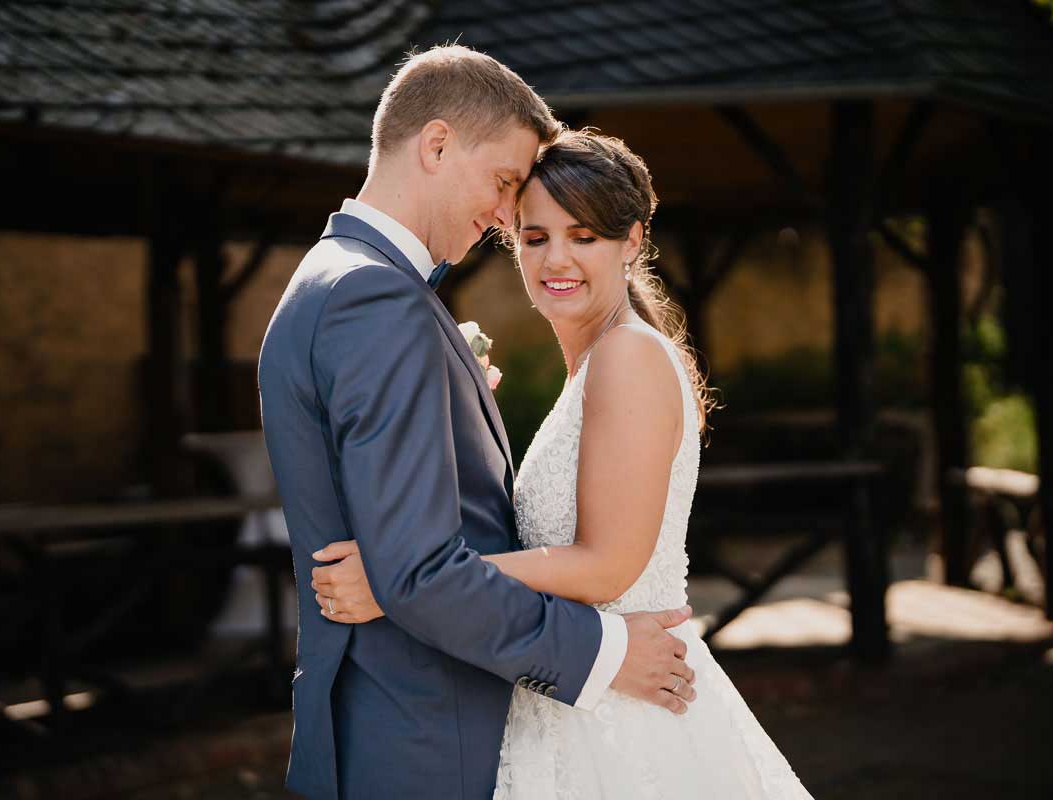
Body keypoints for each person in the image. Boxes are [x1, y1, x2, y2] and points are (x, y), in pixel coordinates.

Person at [314, 129, 816, 798]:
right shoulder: (593, 365)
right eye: (535, 236)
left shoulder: (625, 358)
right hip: (581, 691)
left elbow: (606, 564)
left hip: (625, 724)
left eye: (585, 237)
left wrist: (400, 582)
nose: (558, 259)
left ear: (632, 240)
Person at [257, 46, 695, 800]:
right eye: (504, 188)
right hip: (422, 730)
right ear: (435, 144)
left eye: (583, 235)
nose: (503, 216)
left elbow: (413, 559)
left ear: (632, 244)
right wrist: (604, 653)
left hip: (407, 723)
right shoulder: (378, 302)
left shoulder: (328, 281)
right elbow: (419, 572)